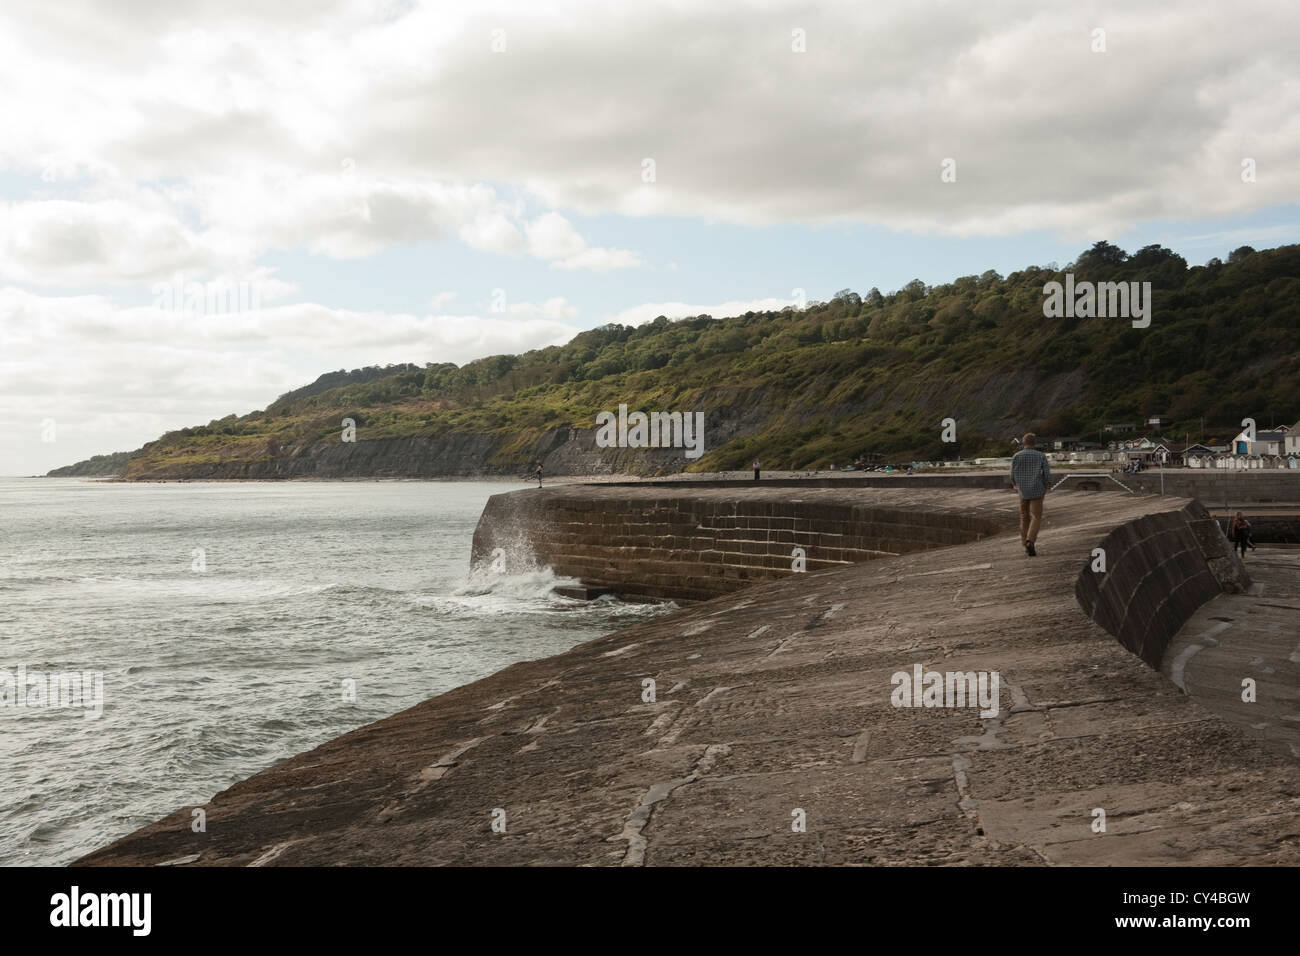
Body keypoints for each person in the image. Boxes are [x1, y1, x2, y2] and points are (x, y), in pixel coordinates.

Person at [1010, 432, 1051, 556]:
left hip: (1022, 490)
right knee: (1036, 516)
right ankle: (1030, 541)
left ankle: (1024, 543)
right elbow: (1047, 473)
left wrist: (1015, 484)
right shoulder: (1040, 456)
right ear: (1034, 443)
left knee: (1024, 516)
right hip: (1037, 489)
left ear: (1023, 443)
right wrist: (1046, 484)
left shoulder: (1016, 456)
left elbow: (1012, 474)